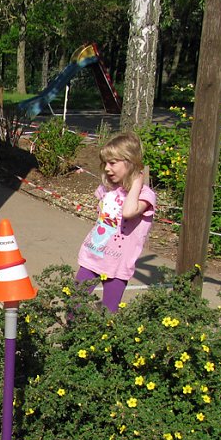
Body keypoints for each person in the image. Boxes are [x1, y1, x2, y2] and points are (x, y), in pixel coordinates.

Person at [75, 132, 156, 312]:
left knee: (109, 312)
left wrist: (136, 182)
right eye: (105, 163)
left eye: (113, 163)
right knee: (75, 306)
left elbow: (128, 212)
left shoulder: (144, 195)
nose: (107, 169)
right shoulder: (107, 189)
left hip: (118, 264)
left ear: (131, 163)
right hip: (93, 256)